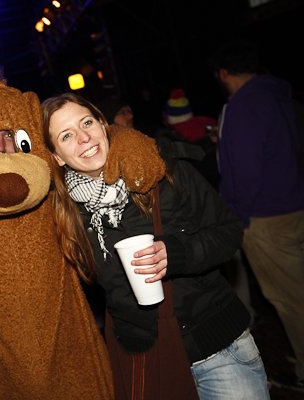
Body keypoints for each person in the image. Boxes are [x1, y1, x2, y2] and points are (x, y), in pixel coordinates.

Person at [41, 92, 270, 400]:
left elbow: (228, 232)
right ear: (56, 156)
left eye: (86, 123)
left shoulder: (163, 171)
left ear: (103, 124)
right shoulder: (65, 217)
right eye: (66, 136)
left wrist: (177, 253)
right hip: (149, 359)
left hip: (219, 349)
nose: (84, 138)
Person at [209, 38, 304, 393]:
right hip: (294, 204)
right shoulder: (279, 96)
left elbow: (245, 172)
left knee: (291, 300)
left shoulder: (242, 106)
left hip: (265, 216)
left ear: (223, 72)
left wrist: (237, 217)